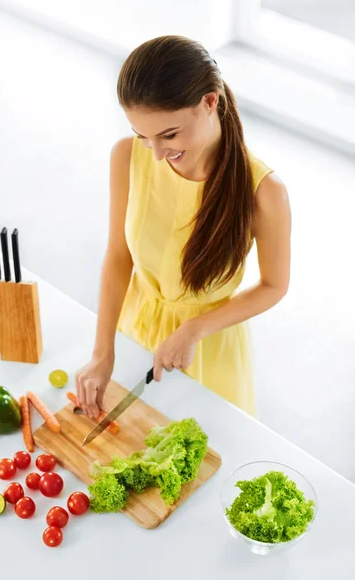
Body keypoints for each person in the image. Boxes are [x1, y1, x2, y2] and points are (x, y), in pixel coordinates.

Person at [75, 35, 291, 420]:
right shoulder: (127, 156)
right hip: (135, 329)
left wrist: (194, 329)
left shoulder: (265, 192)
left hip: (208, 347)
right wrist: (102, 352)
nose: (156, 154)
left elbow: (275, 285)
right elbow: (119, 255)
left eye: (169, 135)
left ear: (209, 101)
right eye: (144, 136)